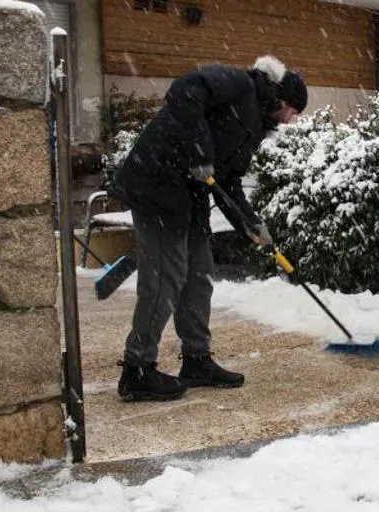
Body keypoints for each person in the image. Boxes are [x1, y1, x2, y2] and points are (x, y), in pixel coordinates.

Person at [106, 55, 307, 402]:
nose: (289, 120)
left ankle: (196, 359)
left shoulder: (254, 127)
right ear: (278, 98)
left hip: (189, 196)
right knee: (165, 276)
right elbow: (186, 90)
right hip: (157, 183)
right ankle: (137, 369)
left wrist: (251, 224)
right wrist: (200, 151)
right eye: (291, 110)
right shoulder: (240, 84)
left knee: (198, 275)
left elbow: (228, 182)